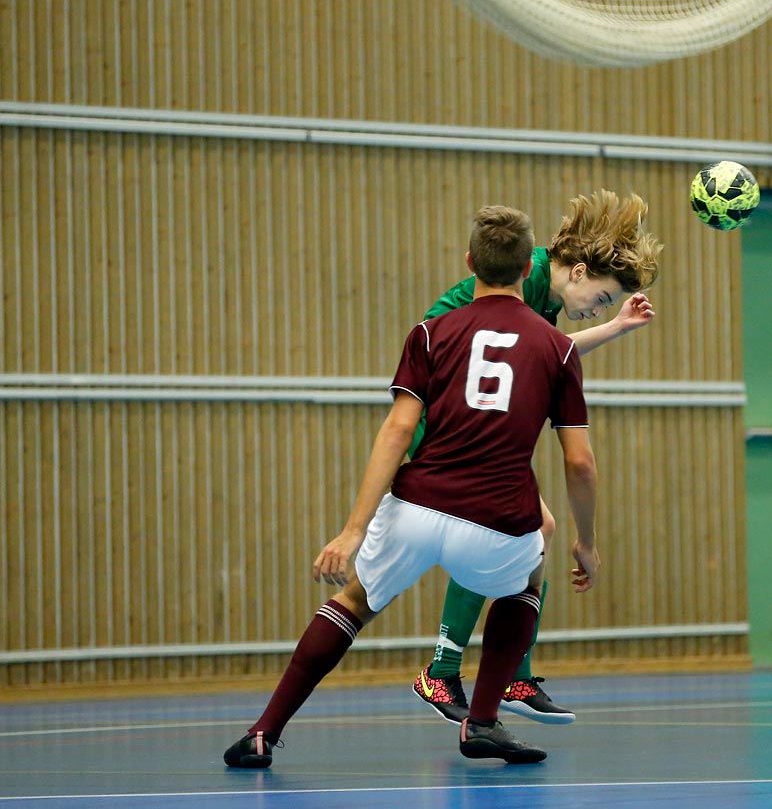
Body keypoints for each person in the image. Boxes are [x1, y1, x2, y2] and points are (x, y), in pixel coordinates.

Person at [224, 205, 602, 768]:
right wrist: (586, 541)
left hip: (416, 506)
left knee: (351, 603)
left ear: (470, 261)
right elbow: (580, 464)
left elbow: (399, 429)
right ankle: (483, 722)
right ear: (531, 268)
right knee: (529, 571)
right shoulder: (558, 347)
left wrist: (353, 530)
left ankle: (262, 732)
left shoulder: (431, 333)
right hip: (496, 520)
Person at [411, 189, 662, 726]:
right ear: (576, 270)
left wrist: (617, 326)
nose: (596, 309)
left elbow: (553, 348)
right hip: (444, 428)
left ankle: (509, 676)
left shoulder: (543, 294)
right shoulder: (519, 288)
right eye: (601, 298)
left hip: (471, 427)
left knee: (533, 532)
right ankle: (445, 670)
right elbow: (543, 352)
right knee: (511, 531)